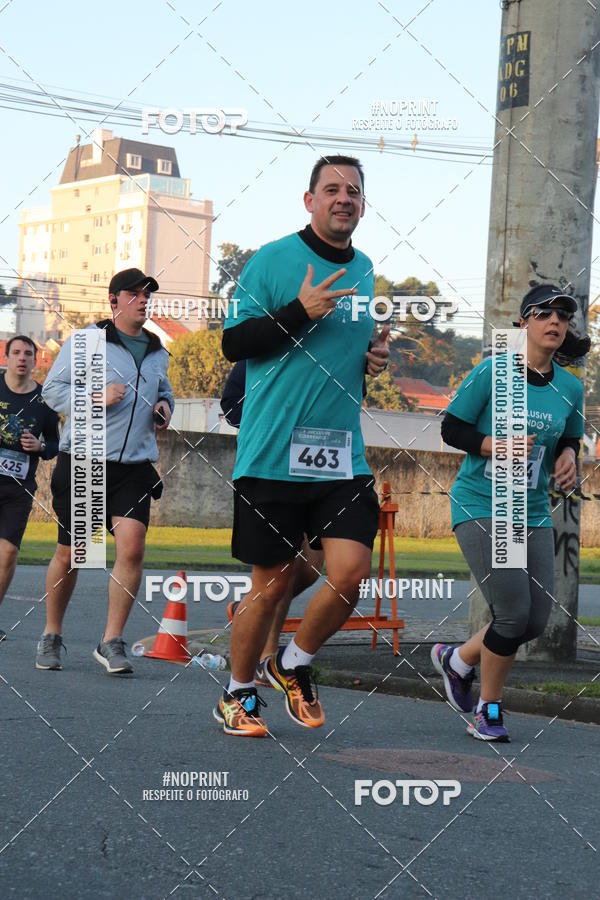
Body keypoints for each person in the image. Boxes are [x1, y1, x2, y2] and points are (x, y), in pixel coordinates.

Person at [214, 154, 388, 737]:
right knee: (272, 585)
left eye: (354, 192)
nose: (344, 199)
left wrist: (369, 363)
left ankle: (292, 661)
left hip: (340, 454)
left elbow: (337, 359)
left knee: (351, 569)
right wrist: (297, 311)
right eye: (332, 189)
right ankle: (237, 695)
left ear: (363, 205)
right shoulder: (271, 261)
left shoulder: (365, 269)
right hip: (272, 453)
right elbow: (234, 343)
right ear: (309, 200)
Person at [432, 284, 584, 742]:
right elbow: (451, 427)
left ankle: (457, 661)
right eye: (544, 314)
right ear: (524, 323)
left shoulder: (570, 387)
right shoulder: (493, 373)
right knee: (514, 613)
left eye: (562, 315)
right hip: (481, 503)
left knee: (535, 620)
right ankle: (488, 708)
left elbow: (569, 437)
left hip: (532, 509)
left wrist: (569, 457)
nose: (555, 321)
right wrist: (493, 445)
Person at [221, 337, 389, 686]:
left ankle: (276, 649)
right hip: (275, 468)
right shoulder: (269, 345)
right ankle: (263, 658)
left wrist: (373, 359)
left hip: (329, 470)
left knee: (312, 572)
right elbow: (231, 404)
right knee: (277, 577)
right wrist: (276, 418)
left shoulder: (343, 348)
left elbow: (349, 398)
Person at [36, 268, 174, 674]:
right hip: (87, 462)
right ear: (113, 301)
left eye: (147, 294)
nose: (143, 300)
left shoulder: (157, 349)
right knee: (77, 553)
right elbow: (52, 391)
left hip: (134, 466)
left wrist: (164, 408)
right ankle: (52, 634)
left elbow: (163, 391)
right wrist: (95, 396)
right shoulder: (86, 342)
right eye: (134, 294)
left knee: (132, 546)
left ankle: (111, 640)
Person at [0, 336, 59, 642]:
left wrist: (40, 446)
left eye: (27, 354)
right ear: (7, 357)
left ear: (35, 361)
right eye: (16, 353)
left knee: (8, 552)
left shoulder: (45, 401)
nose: (21, 358)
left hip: (18, 486)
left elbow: (55, 445)